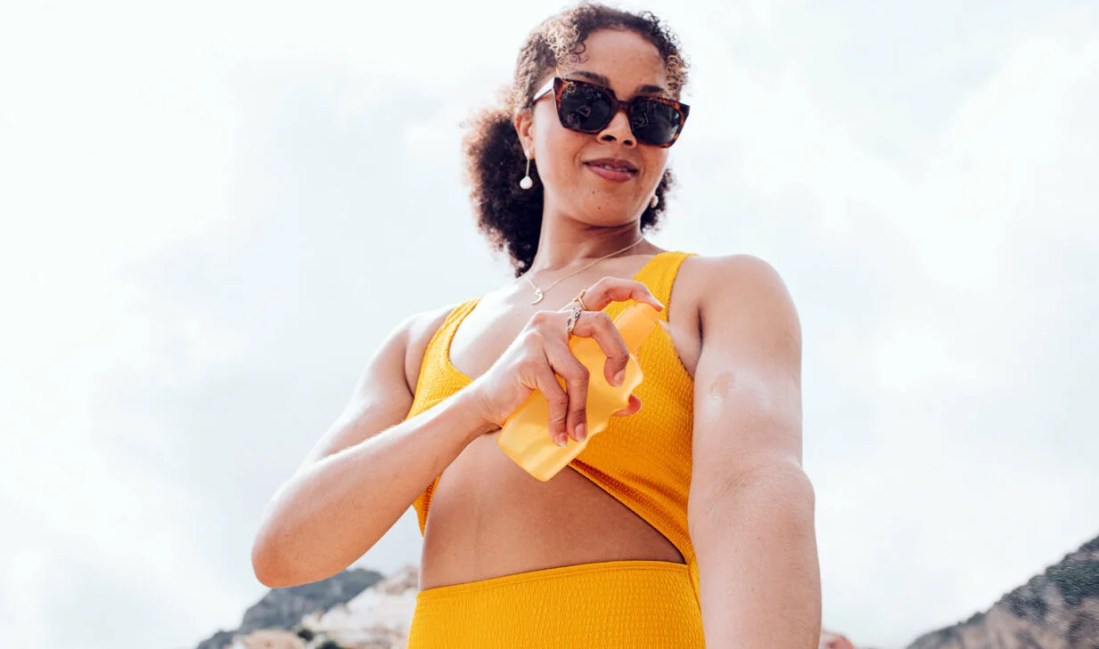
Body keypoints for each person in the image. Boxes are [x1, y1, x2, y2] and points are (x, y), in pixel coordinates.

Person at [251, 3, 821, 647]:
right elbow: (284, 553)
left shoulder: (719, 290)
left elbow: (755, 494)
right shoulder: (419, 347)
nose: (619, 131)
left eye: (653, 113)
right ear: (526, 127)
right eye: (586, 103)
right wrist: (479, 403)